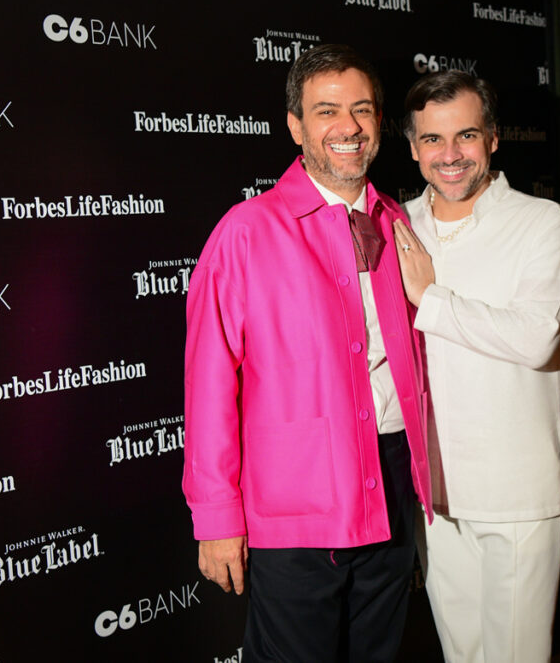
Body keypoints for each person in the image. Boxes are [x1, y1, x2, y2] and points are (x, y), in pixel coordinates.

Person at [183, 44, 432, 662]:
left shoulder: (397, 221)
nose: (349, 127)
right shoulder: (246, 231)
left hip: (394, 486)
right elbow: (209, 385)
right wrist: (216, 518)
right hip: (296, 505)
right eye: (327, 111)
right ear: (295, 125)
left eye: (362, 110)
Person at [391, 70, 560, 663]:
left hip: (516, 490)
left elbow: (536, 337)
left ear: (493, 138)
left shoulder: (542, 221)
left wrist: (431, 299)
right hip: (436, 493)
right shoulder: (396, 226)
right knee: (461, 654)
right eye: (432, 139)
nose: (450, 155)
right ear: (413, 147)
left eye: (466, 136)